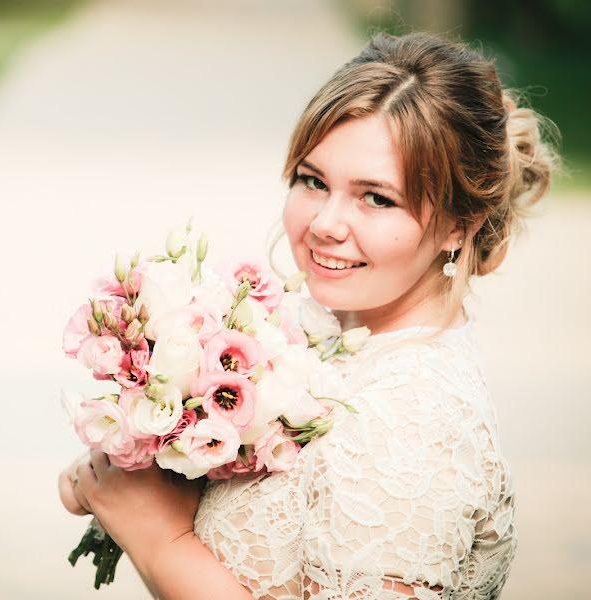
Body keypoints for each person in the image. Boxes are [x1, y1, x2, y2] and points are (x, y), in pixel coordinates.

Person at [58, 31, 558, 599]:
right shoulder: (318, 333)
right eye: (313, 181)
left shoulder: (413, 425)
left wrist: (161, 540)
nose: (324, 223)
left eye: (377, 198)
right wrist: (134, 450)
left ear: (457, 226)